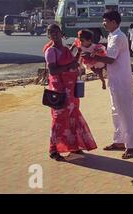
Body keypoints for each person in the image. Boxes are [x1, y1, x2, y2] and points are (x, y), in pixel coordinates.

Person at [88, 11, 133, 159]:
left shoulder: (118, 37)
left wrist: (92, 57)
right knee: (115, 111)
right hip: (114, 78)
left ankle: (131, 145)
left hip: (122, 80)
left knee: (126, 113)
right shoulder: (112, 36)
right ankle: (119, 141)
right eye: (103, 20)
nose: (104, 23)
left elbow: (110, 59)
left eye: (106, 21)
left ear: (114, 22)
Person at [44, 24, 98, 162]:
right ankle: (53, 149)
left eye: (56, 31)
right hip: (59, 90)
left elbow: (74, 63)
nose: (54, 34)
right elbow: (53, 71)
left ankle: (73, 146)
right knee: (59, 119)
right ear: (48, 35)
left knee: (73, 117)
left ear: (61, 33)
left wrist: (79, 54)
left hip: (71, 90)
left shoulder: (66, 49)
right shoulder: (51, 51)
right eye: (51, 32)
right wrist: (69, 66)